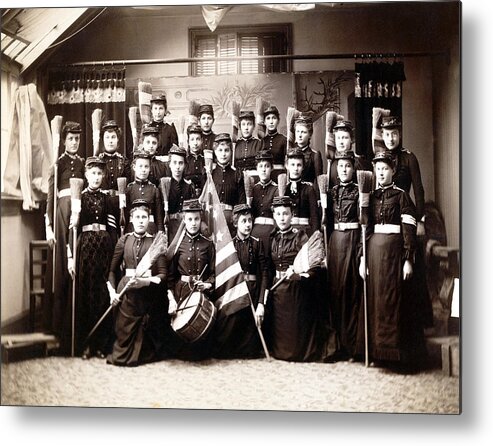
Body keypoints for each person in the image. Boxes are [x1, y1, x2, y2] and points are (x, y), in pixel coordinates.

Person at [357, 151, 426, 373]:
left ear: (393, 171)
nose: (381, 173)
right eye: (378, 169)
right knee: (377, 302)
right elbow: (365, 231)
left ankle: (398, 357)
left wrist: (408, 259)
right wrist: (362, 260)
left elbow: (409, 231)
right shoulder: (372, 197)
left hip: (395, 256)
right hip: (375, 257)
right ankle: (378, 354)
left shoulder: (402, 196)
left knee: (394, 302)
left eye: (385, 168)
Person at [381, 116, 432, 330]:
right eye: (386, 134)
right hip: (387, 216)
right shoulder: (379, 159)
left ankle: (412, 327)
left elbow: (419, 191)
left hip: (406, 215)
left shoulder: (409, 158)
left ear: (399, 134)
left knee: (410, 269)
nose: (391, 138)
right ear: (382, 136)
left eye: (394, 133)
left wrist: (419, 220)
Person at [107, 199, 171, 367]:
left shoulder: (156, 243)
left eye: (144, 217)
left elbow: (163, 275)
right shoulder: (123, 241)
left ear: (149, 219)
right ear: (131, 220)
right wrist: (112, 293)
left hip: (148, 295)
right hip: (126, 293)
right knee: (120, 343)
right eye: (137, 217)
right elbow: (112, 271)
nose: (141, 220)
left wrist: (145, 282)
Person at [68, 156, 117, 359]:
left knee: (102, 295)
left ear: (103, 175)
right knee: (86, 294)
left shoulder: (108, 199)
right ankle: (86, 343)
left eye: (99, 173)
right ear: (86, 175)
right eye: (93, 173)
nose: (96, 177)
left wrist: (115, 254)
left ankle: (102, 344)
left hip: (104, 249)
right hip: (87, 249)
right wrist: (71, 256)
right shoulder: (80, 199)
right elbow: (74, 230)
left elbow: (113, 229)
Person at [44, 121, 85, 354]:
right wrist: (49, 226)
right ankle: (58, 328)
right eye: (70, 138)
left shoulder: (82, 163)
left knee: (76, 263)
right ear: (64, 140)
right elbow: (50, 198)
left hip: (76, 213)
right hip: (60, 215)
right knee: (60, 268)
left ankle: (75, 326)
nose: (74, 142)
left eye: (77, 139)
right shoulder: (57, 165)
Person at [211, 204, 269, 359]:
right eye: (244, 221)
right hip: (234, 290)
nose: (248, 224)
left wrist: (261, 302)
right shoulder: (229, 246)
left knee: (250, 346)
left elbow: (264, 273)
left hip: (252, 292)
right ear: (235, 223)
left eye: (250, 220)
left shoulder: (257, 243)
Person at [267, 196, 320, 362]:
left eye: (286, 214)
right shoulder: (272, 238)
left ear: (292, 215)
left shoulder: (300, 237)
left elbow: (312, 265)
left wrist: (298, 274)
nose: (282, 218)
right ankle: (279, 351)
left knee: (294, 326)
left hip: (295, 289)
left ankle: (297, 352)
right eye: (279, 214)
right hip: (278, 287)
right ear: (274, 216)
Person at [322, 149, 362, 362]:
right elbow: (326, 220)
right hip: (336, 240)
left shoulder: (359, 191)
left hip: (353, 239)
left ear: (354, 168)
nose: (344, 169)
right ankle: (336, 345)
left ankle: (353, 345)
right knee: (335, 290)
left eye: (347, 165)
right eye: (341, 166)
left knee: (352, 290)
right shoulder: (332, 191)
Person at [166, 198, 215, 361]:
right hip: (182, 291)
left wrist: (207, 284)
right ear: (184, 220)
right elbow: (170, 277)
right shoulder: (177, 246)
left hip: (201, 293)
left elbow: (215, 273)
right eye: (190, 219)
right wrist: (171, 298)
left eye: (196, 219)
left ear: (201, 220)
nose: (193, 223)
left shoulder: (208, 244)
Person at [98, 119, 132, 245]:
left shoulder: (124, 161)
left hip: (120, 205)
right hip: (104, 204)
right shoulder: (98, 162)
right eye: (107, 137)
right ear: (103, 140)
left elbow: (129, 185)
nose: (110, 140)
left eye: (113, 137)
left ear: (118, 140)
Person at [210, 132, 246, 235]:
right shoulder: (210, 173)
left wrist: (235, 219)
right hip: (213, 219)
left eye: (226, 150)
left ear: (231, 152)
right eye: (220, 150)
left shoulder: (237, 174)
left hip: (230, 221)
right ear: (215, 152)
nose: (223, 154)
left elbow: (241, 201)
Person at [124, 150, 164, 235]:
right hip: (132, 228)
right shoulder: (129, 189)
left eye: (146, 167)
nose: (143, 170)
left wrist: (160, 232)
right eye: (140, 166)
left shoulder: (154, 189)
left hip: (150, 229)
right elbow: (125, 214)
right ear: (134, 167)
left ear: (150, 168)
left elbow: (158, 216)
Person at [284, 147, 320, 236]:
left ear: (303, 167)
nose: (296, 169)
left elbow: (314, 217)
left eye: (299, 165)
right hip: (288, 233)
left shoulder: (309, 189)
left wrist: (315, 236)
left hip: (305, 233)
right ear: (287, 166)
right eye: (292, 165)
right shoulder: (284, 189)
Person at [328, 120, 373, 188]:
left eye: (345, 138)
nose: (341, 142)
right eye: (338, 138)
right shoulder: (331, 164)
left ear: (351, 139)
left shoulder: (360, 163)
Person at [165, 145, 197, 242]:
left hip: (185, 226)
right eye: (174, 163)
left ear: (185, 165)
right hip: (170, 226)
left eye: (180, 163)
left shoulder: (189, 186)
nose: (177, 167)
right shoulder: (165, 185)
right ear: (169, 164)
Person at [251, 150, 279, 250]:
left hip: (270, 231)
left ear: (272, 168)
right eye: (260, 166)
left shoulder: (276, 189)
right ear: (256, 169)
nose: (263, 170)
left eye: (267, 166)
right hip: (254, 231)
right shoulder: (253, 189)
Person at [293, 116, 323, 184]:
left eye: (303, 132)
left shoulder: (315, 155)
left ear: (310, 135)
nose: (299, 135)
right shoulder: (290, 153)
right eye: (298, 131)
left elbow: (318, 180)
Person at [261, 105, 287, 181]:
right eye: (268, 118)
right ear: (264, 122)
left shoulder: (283, 140)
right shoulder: (262, 141)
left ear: (278, 121)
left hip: (280, 176)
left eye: (274, 118)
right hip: (264, 177)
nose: (271, 121)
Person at [234, 110, 263, 178]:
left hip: (254, 178)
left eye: (249, 124)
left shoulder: (259, 144)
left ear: (253, 126)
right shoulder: (235, 145)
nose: (246, 128)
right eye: (243, 124)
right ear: (240, 127)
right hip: (238, 179)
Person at [148, 93, 178, 159]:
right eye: (155, 108)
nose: (158, 112)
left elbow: (175, 151)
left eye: (161, 108)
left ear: (165, 111)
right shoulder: (147, 128)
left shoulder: (170, 129)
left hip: (165, 165)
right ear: (151, 111)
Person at [184, 123, 206, 196]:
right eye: (192, 139)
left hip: (204, 195)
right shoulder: (184, 159)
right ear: (188, 142)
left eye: (198, 139)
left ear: (202, 141)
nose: (195, 143)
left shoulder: (206, 158)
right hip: (187, 196)